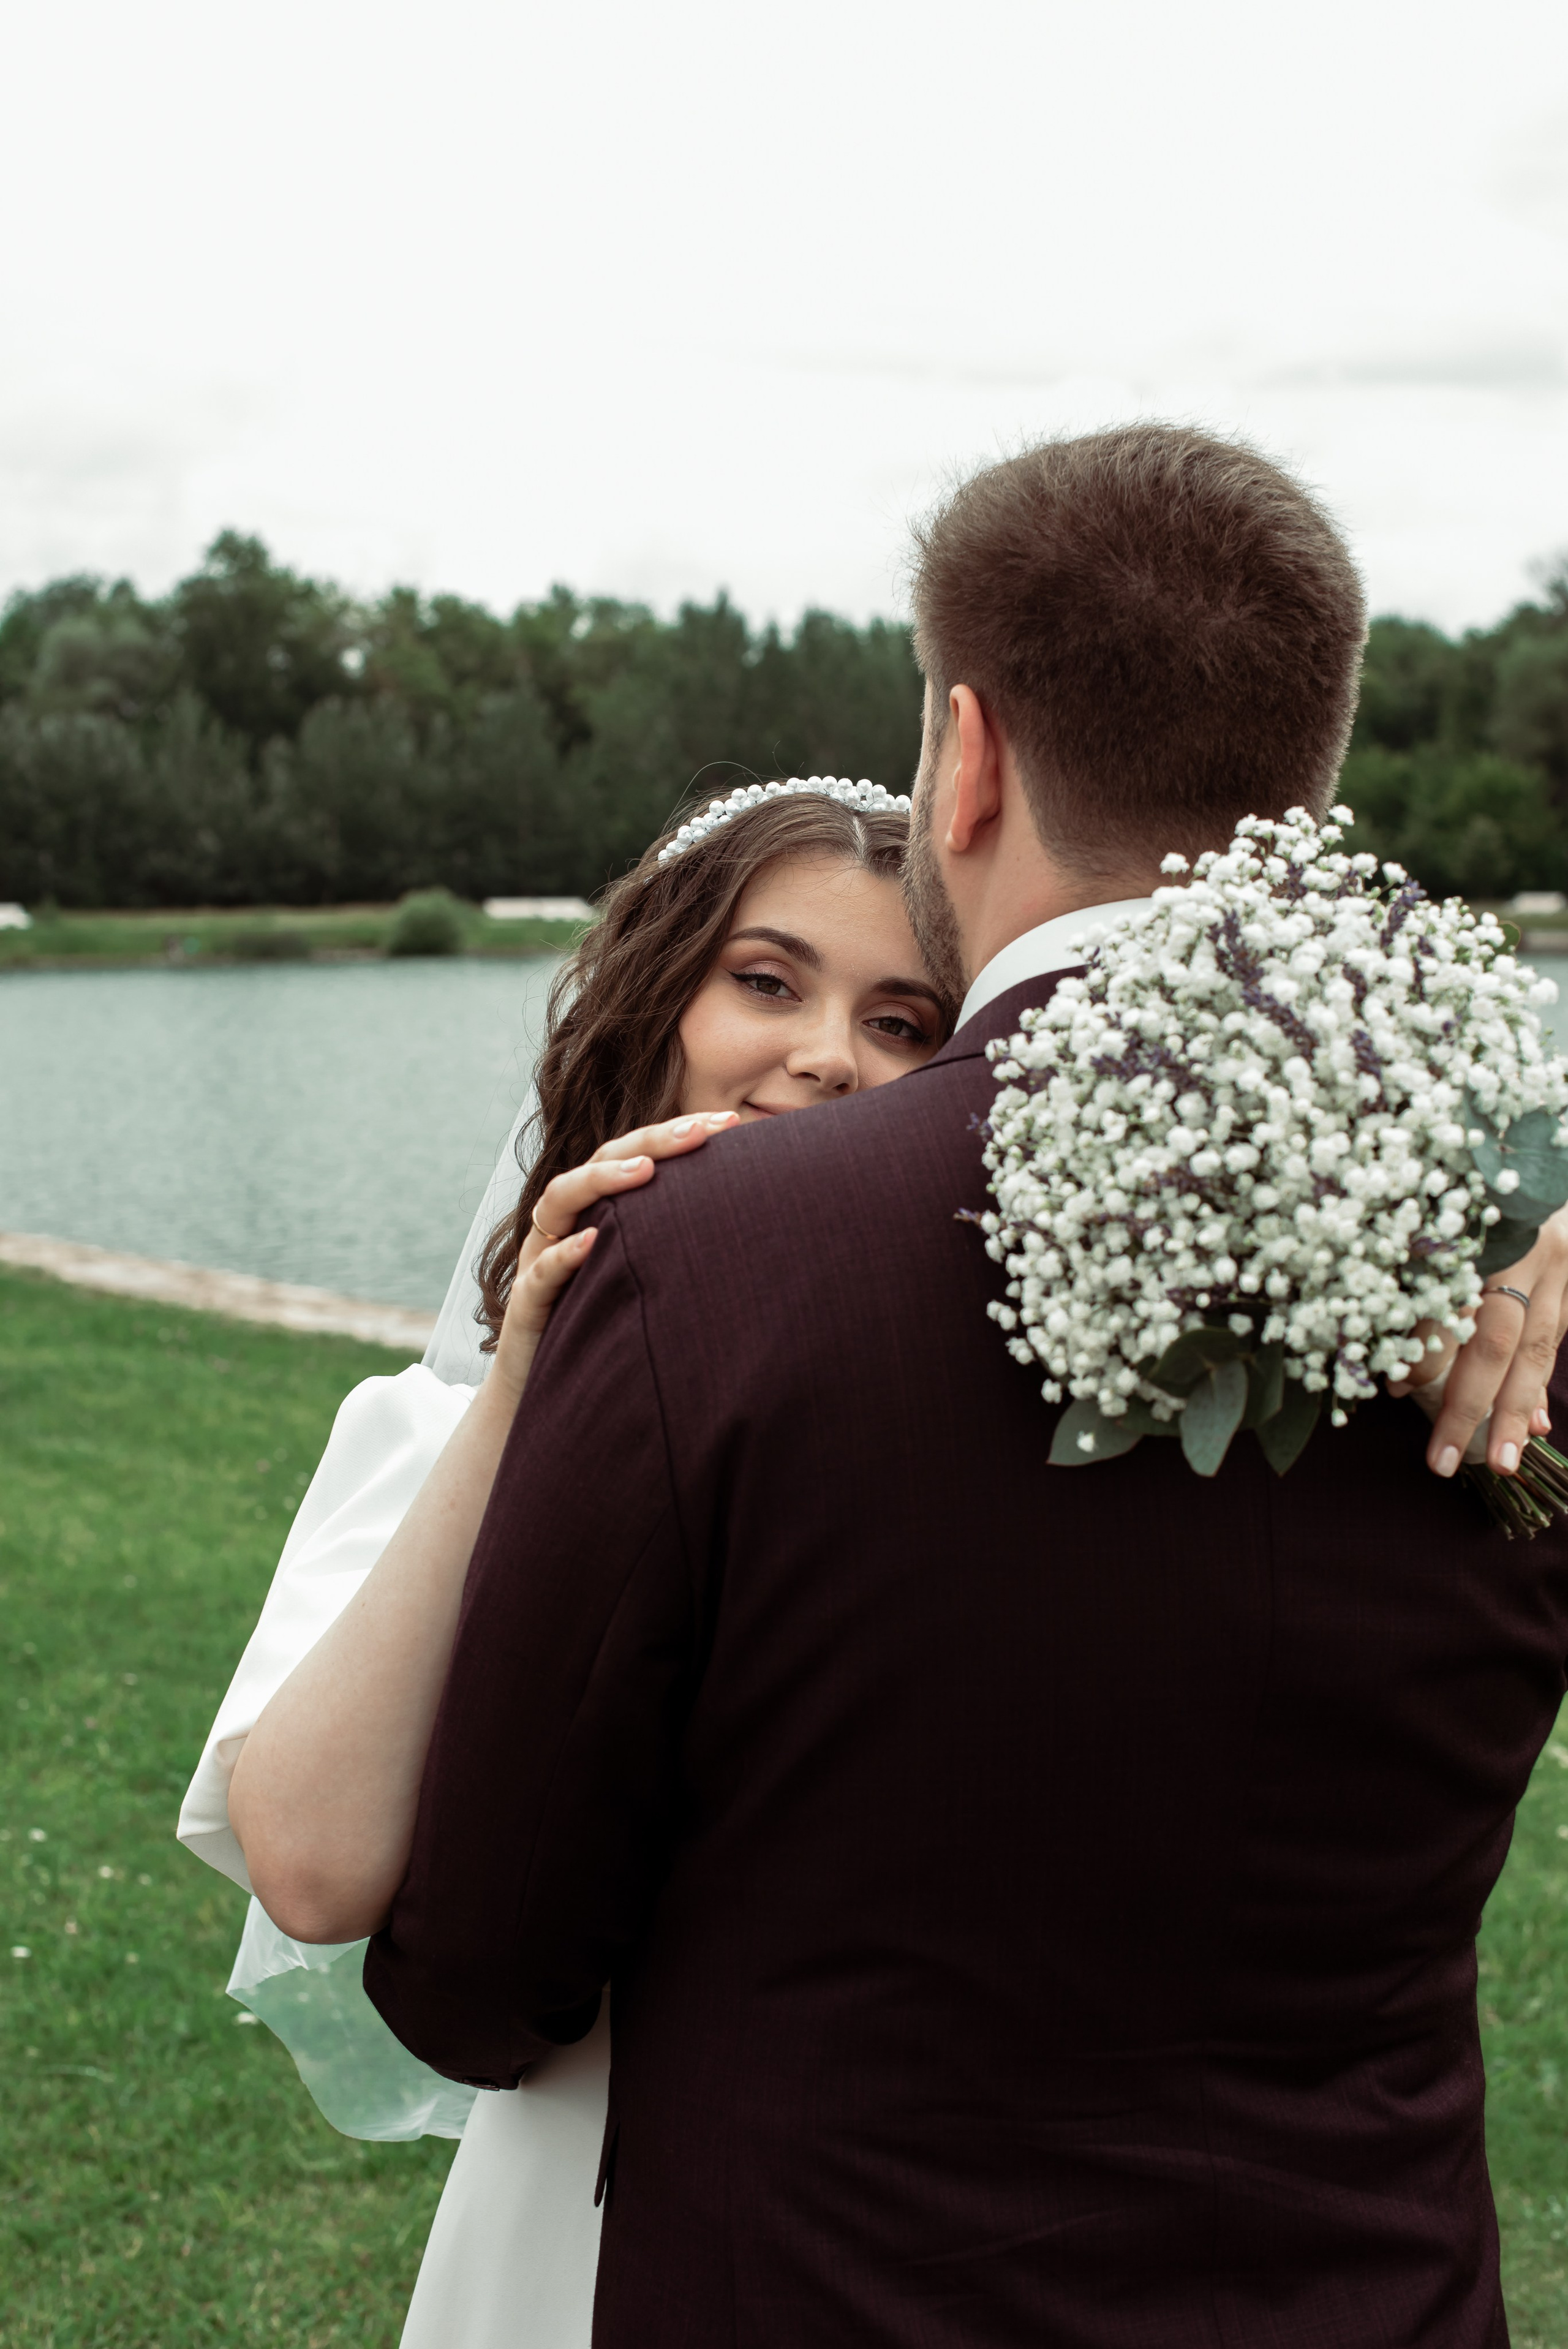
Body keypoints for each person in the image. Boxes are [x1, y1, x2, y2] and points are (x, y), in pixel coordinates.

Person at [347, 426, 1568, 2348]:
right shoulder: (1500, 1287)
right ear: (1308, 771)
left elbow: (478, 1974)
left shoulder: (710, 1261)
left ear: (969, 756)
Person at [177, 779, 954, 2347]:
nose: (823, 1054)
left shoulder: (969, 1428)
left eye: (903, 1018)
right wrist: (533, 1388)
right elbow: (313, 1869)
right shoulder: (438, 1420)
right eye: (766, 981)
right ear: (657, 1003)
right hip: (576, 2198)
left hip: (899, 2199)